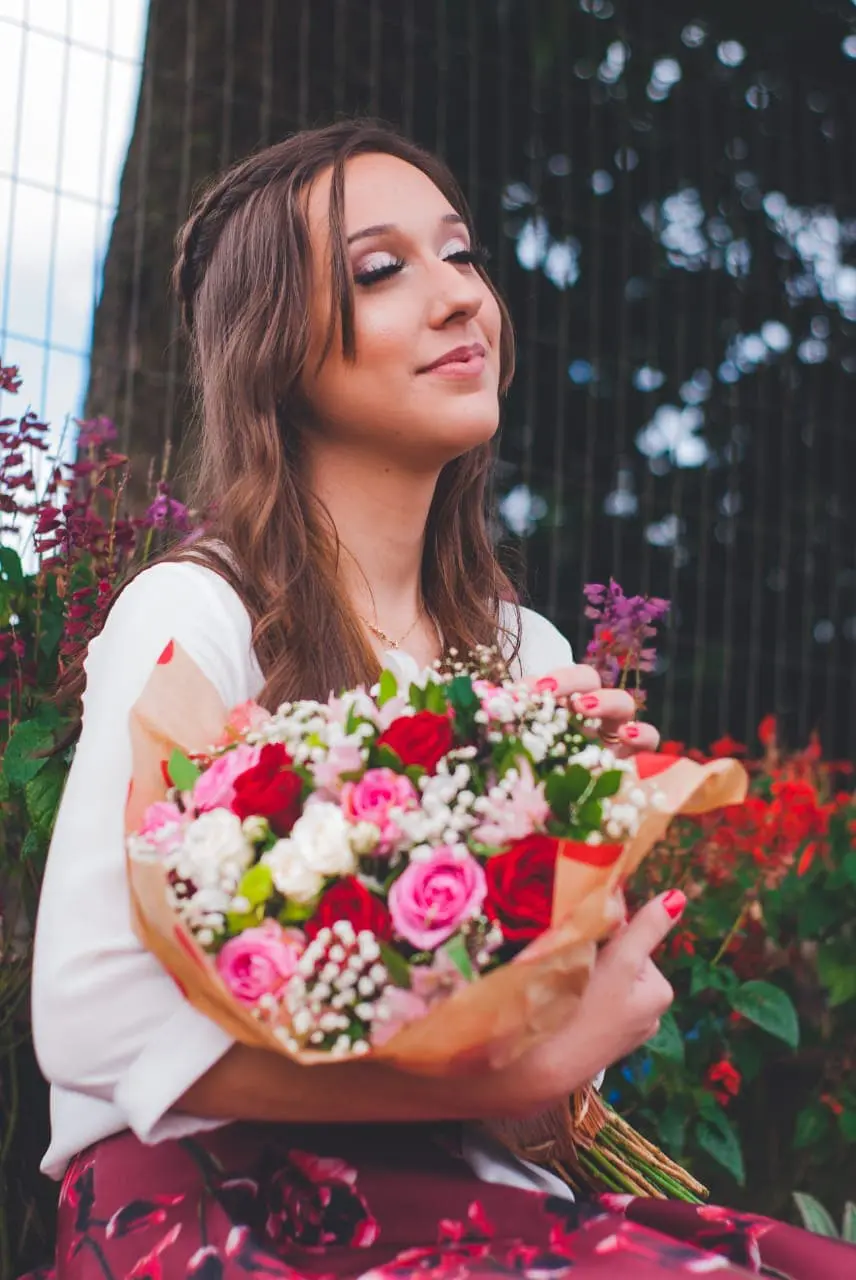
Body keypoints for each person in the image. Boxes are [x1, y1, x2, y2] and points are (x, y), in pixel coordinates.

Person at [28, 121, 853, 1280]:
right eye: (381, 268)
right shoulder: (196, 614)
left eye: (460, 254)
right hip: (215, 1200)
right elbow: (87, 1014)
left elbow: (518, 1089)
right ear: (274, 348)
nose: (460, 296)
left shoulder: (531, 655)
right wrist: (503, 1071)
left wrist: (581, 977)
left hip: (477, 1195)